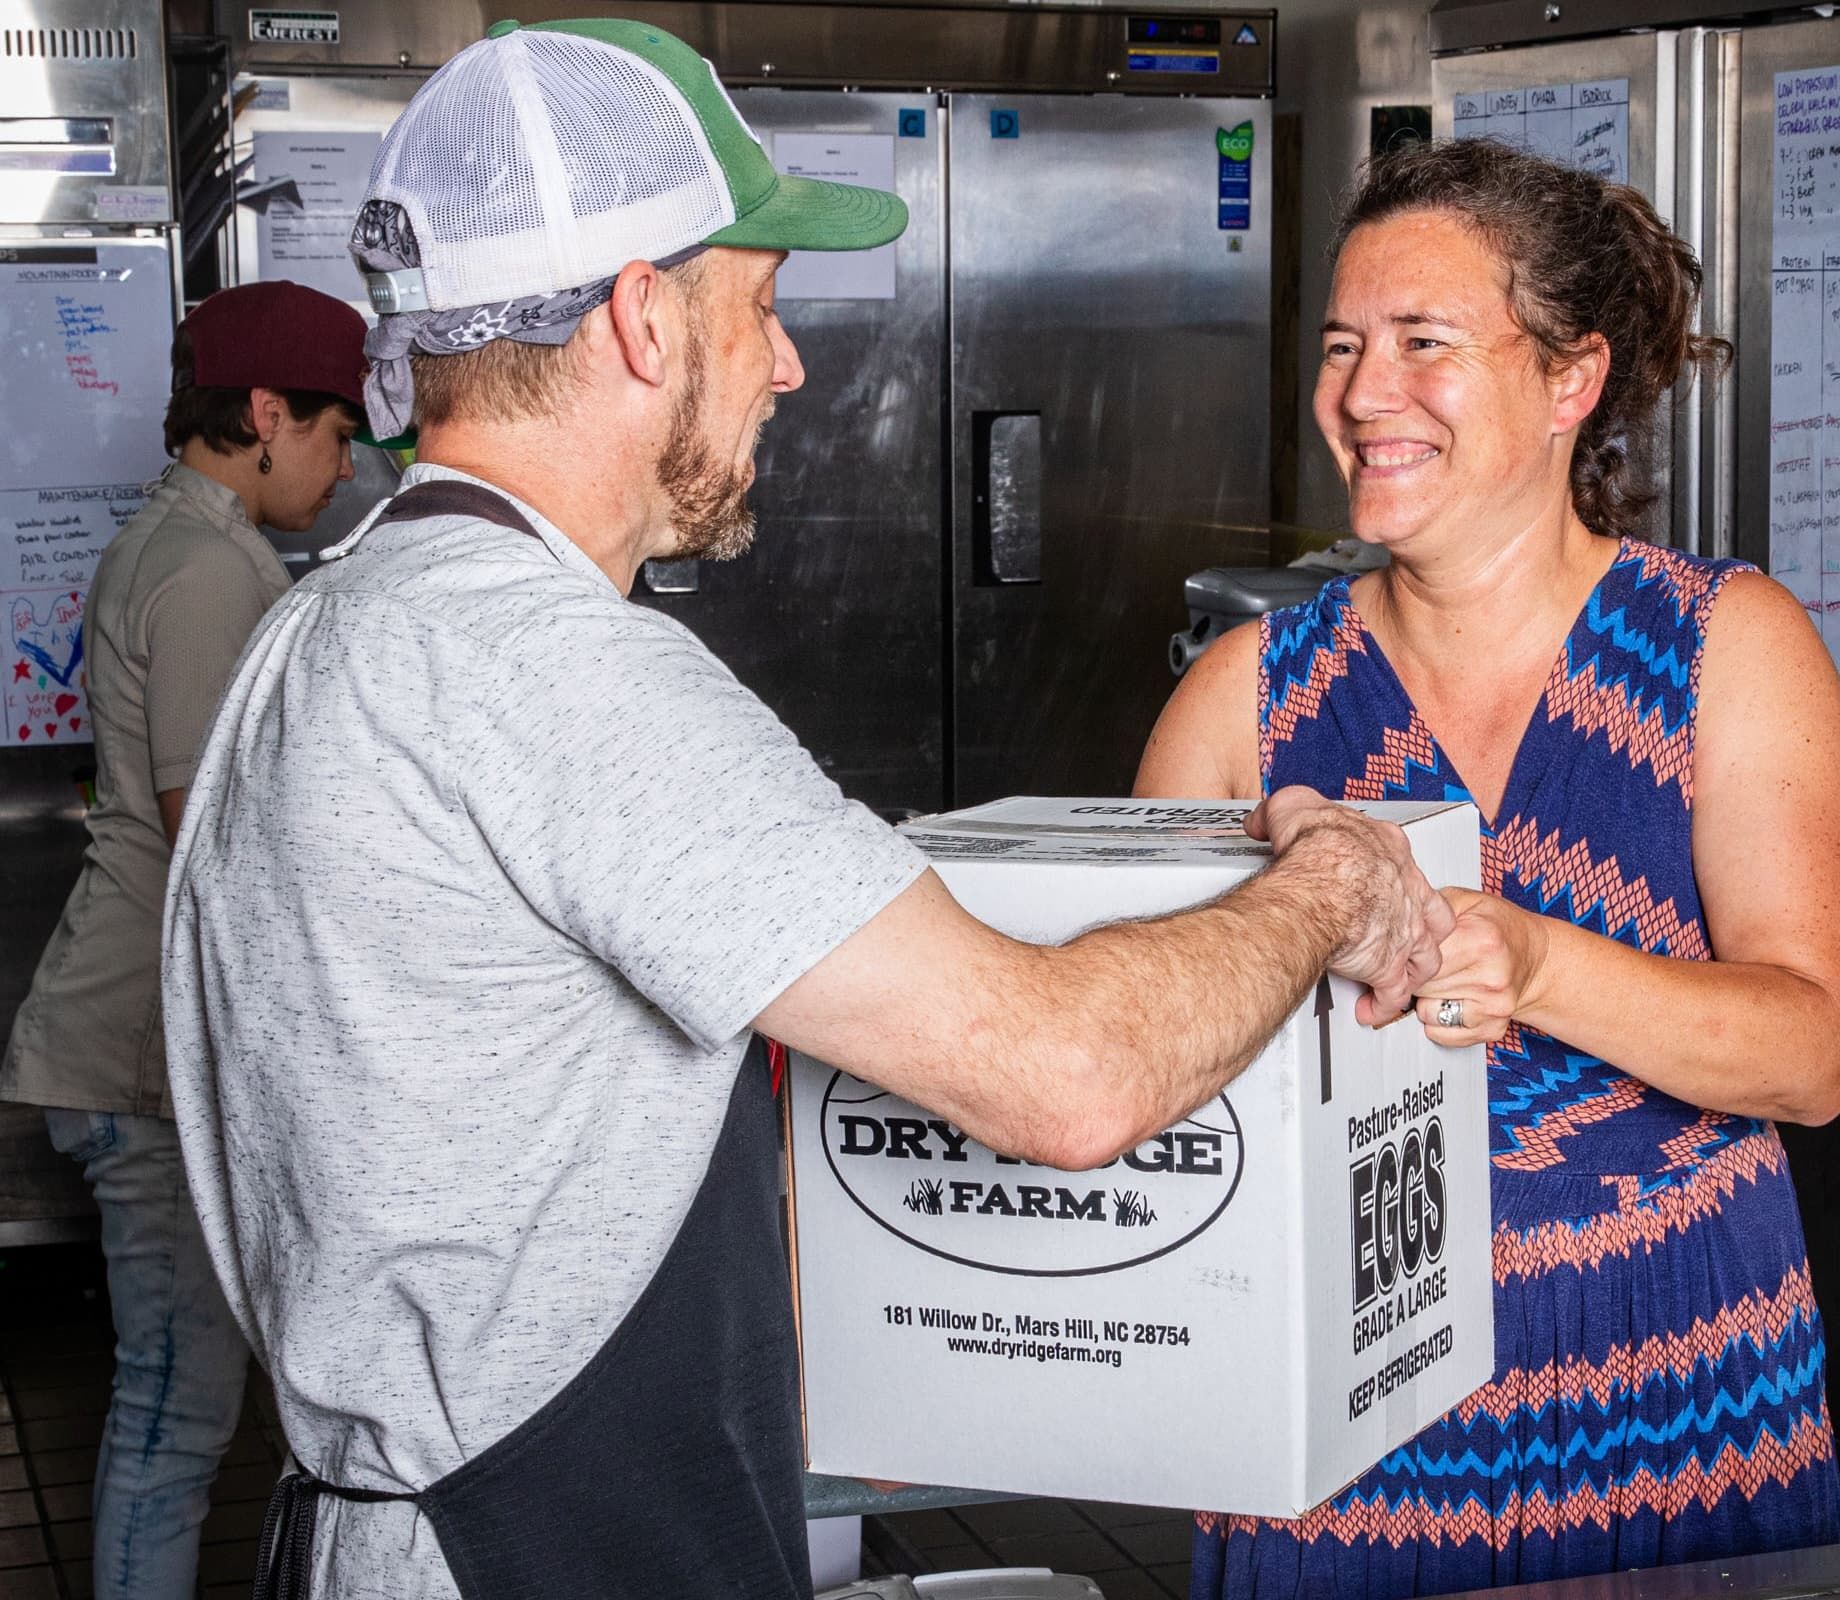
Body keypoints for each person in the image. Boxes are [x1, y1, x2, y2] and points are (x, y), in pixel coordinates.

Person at [157, 21, 1452, 1600]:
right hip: (532, 1553)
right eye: (760, 308)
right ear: (642, 317)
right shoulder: (555, 671)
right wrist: (1327, 886)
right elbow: (1068, 1077)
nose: (789, 365)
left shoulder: (340, 619)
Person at [1136, 137, 1840, 1596]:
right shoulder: (1245, 701)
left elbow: (1816, 1052)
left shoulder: (1727, 650)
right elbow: (1160, 1073)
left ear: (1569, 379)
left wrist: (1529, 960)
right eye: (1344, 346)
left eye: (1425, 343)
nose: (1362, 393)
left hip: (1674, 1397)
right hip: (1340, 1439)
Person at [0, 279, 366, 1599]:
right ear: (263, 413)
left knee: (179, 1404)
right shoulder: (210, 566)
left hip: (133, 1034)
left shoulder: (177, 539)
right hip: (141, 1052)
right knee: (175, 1413)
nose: (340, 467)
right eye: (331, 432)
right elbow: (214, 830)